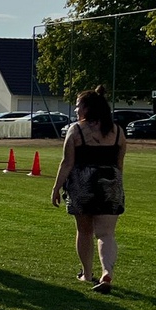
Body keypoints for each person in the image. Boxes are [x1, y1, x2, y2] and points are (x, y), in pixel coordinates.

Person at [50, 87, 125, 294]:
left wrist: (56, 188)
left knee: (84, 231)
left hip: (83, 184)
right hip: (111, 183)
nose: (76, 110)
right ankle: (107, 271)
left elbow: (67, 163)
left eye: (78, 105)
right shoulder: (117, 131)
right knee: (106, 234)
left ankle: (87, 273)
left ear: (87, 108)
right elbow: (119, 164)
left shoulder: (76, 130)